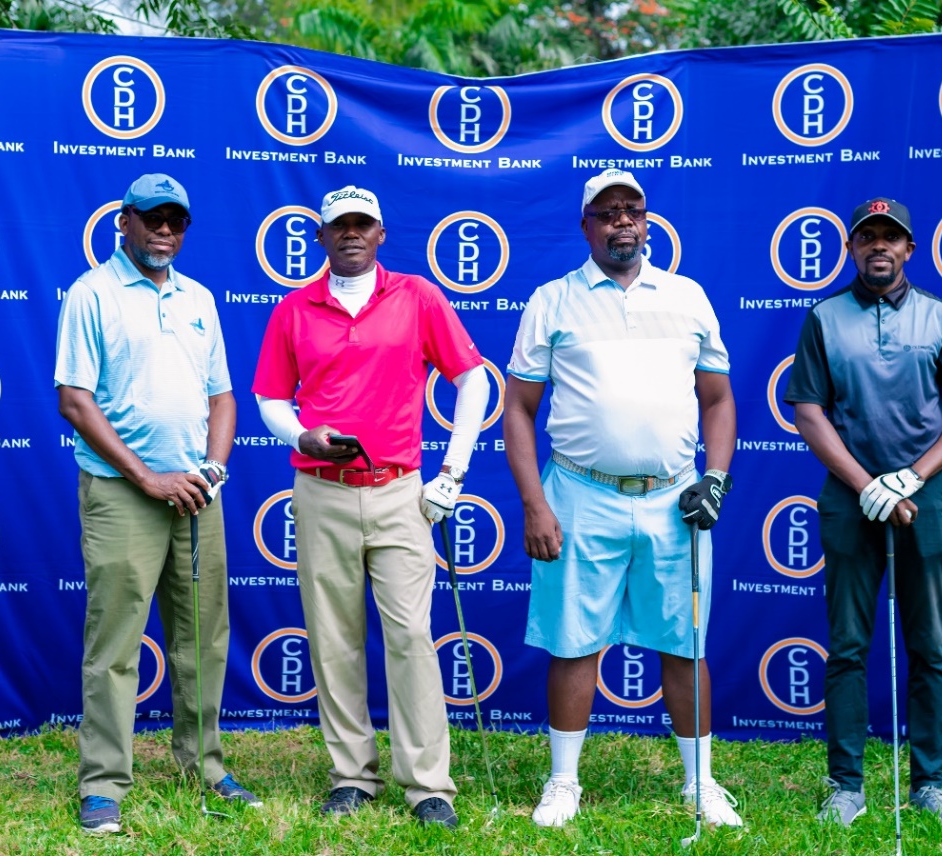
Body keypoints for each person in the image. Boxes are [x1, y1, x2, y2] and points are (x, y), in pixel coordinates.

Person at [502, 168, 741, 829]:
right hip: (580, 492)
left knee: (685, 643)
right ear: (586, 226)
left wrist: (714, 478)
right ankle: (562, 783)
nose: (621, 222)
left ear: (648, 219)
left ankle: (700, 785)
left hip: (674, 500)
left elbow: (718, 400)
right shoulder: (552, 300)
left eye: (631, 210)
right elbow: (517, 411)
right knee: (573, 642)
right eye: (606, 213)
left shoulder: (688, 297)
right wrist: (534, 503)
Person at [251, 185, 490, 828]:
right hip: (322, 491)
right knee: (333, 638)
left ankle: (427, 785)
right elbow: (272, 398)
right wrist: (299, 434)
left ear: (380, 234)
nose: (352, 233)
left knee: (412, 637)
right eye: (339, 226)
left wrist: (454, 472)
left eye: (364, 224)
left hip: (399, 489)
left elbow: (474, 378)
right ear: (322, 237)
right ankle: (352, 775)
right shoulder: (295, 309)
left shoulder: (415, 296)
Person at [55, 173, 258, 834]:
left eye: (176, 220)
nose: (164, 230)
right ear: (124, 221)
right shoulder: (92, 293)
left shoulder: (199, 298)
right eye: (152, 218)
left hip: (198, 495)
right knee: (115, 643)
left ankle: (202, 763)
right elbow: (75, 401)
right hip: (123, 494)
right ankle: (104, 784)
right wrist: (147, 477)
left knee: (202, 636)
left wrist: (214, 467)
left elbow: (222, 397)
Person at [785, 197, 942, 827]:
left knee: (929, 646)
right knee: (848, 646)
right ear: (850, 249)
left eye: (891, 238)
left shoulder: (940, 316)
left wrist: (911, 477)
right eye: (867, 236)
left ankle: (929, 782)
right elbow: (809, 412)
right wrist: (866, 483)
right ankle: (846, 783)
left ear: (910, 249)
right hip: (850, 499)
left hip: (924, 496)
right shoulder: (824, 317)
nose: (879, 246)